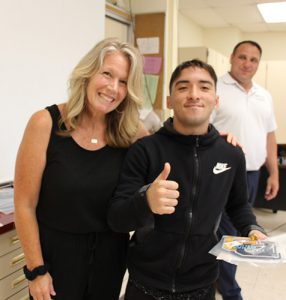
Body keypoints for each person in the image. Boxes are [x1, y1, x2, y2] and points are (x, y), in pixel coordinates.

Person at [108, 59, 267, 300]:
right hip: (145, 285)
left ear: (216, 100)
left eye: (204, 87)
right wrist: (146, 201)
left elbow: (238, 205)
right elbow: (117, 218)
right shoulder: (145, 150)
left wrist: (252, 229)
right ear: (169, 101)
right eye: (183, 87)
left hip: (202, 283)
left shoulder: (231, 154)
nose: (194, 94)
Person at [13, 37, 148, 300]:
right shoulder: (45, 123)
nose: (113, 88)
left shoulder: (131, 134)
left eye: (123, 82)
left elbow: (173, 150)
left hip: (110, 263)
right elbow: (24, 204)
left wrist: (210, 137)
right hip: (54, 264)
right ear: (87, 74)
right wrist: (36, 271)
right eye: (107, 74)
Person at [211, 40, 279, 300]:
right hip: (221, 172)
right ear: (231, 57)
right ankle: (230, 291)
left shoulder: (264, 95)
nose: (247, 64)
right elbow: (201, 128)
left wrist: (273, 172)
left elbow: (269, 136)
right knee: (228, 233)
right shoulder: (215, 86)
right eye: (242, 57)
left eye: (253, 60)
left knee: (240, 231)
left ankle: (221, 280)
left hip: (251, 174)